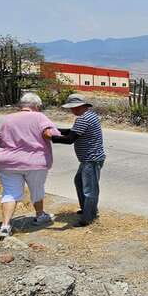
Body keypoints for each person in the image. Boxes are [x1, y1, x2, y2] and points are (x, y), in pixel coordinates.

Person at [0, 92, 60, 239]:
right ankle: (40, 215)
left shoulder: (8, 118)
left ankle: (5, 225)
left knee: (10, 193)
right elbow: (52, 134)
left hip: (6, 162)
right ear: (37, 105)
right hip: (35, 161)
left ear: (21, 105)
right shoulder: (39, 117)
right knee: (37, 189)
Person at [51, 94, 106, 227]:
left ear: (80, 106)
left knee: (89, 190)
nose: (71, 110)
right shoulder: (90, 115)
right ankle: (88, 210)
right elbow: (73, 132)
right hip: (89, 159)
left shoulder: (83, 119)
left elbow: (70, 139)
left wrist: (50, 137)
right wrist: (55, 131)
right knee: (80, 182)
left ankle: (88, 217)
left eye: (73, 108)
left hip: (91, 159)